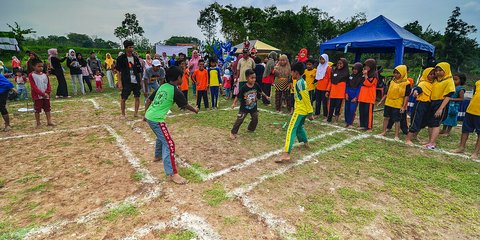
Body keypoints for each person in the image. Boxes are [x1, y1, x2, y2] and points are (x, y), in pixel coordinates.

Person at [145, 66, 199, 184]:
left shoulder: (162, 86)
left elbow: (148, 100)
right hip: (156, 119)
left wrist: (145, 114)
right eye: (183, 77)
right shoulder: (176, 91)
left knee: (161, 137)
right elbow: (185, 105)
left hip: (150, 116)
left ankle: (157, 156)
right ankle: (172, 173)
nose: (184, 78)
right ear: (179, 78)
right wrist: (195, 110)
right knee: (169, 144)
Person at [277, 62, 314, 163]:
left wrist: (310, 112)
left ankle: (286, 154)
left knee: (291, 129)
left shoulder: (300, 83)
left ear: (296, 73)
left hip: (300, 110)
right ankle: (305, 143)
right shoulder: (299, 81)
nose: (290, 74)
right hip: (302, 110)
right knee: (299, 127)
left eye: (291, 72)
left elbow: (306, 98)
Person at [230, 69, 270, 139]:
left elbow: (260, 92)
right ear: (247, 78)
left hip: (253, 107)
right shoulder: (244, 88)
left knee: (255, 118)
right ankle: (233, 132)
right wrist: (234, 103)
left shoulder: (256, 85)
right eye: (252, 78)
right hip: (244, 108)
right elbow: (237, 96)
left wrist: (266, 96)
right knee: (240, 120)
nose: (254, 79)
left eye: (254, 78)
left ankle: (250, 129)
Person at [424, 62, 455, 149]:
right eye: (436, 70)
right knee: (430, 123)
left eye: (440, 70)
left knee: (436, 124)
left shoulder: (449, 81)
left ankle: (432, 143)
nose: (437, 72)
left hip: (441, 103)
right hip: (432, 102)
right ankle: (430, 141)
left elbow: (448, 96)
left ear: (446, 70)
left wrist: (440, 108)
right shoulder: (436, 80)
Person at [378, 65, 411, 140]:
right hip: (388, 102)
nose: (395, 75)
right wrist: (381, 101)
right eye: (395, 73)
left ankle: (396, 135)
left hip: (397, 103)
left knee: (397, 120)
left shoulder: (407, 83)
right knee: (386, 117)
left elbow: (406, 96)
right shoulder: (392, 81)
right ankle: (384, 131)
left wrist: (403, 106)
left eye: (398, 73)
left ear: (402, 73)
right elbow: (387, 92)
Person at [405, 67, 435, 145]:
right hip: (420, 104)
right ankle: (408, 139)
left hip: (428, 105)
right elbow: (418, 89)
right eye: (430, 74)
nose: (432, 76)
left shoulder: (433, 84)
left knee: (423, 122)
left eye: (433, 74)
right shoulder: (423, 83)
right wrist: (415, 92)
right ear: (426, 75)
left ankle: (415, 135)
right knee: (416, 121)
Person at [453, 79, 480, 160]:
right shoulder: (478, 82)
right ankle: (461, 147)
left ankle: (476, 152)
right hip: (470, 110)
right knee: (465, 130)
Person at [116, 40, 143, 119]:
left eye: (132, 47)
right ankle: (123, 114)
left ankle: (136, 113)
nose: (132, 48)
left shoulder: (135, 58)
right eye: (130, 47)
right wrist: (119, 82)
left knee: (137, 97)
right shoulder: (121, 58)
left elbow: (139, 71)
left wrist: (140, 81)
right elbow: (118, 70)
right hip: (126, 80)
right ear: (126, 48)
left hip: (136, 80)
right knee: (123, 98)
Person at [28, 59, 54, 128]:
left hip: (46, 95)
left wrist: (47, 92)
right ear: (33, 67)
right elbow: (34, 86)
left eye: (42, 66)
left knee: (47, 108)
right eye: (38, 66)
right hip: (37, 96)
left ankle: (49, 121)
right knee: (37, 109)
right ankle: (38, 123)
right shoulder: (31, 75)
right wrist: (42, 94)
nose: (41, 68)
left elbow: (48, 84)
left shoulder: (45, 75)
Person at [326, 58, 349, 123]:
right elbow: (331, 81)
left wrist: (346, 93)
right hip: (333, 92)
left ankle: (336, 120)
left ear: (344, 64)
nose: (339, 65)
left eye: (341, 63)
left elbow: (348, 85)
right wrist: (328, 90)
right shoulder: (334, 71)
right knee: (331, 106)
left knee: (338, 107)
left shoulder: (346, 73)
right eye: (338, 63)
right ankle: (329, 119)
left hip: (340, 93)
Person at [358, 59, 378, 131]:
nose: (366, 67)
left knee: (368, 113)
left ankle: (369, 126)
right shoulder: (364, 74)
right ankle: (362, 125)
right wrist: (364, 75)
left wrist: (366, 75)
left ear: (371, 66)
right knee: (362, 111)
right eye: (365, 66)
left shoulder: (374, 75)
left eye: (367, 66)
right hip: (362, 96)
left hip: (369, 97)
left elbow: (369, 83)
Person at [345, 63, 363, 128]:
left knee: (352, 109)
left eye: (356, 69)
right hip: (348, 94)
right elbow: (347, 85)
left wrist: (356, 97)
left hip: (355, 94)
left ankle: (350, 123)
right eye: (353, 69)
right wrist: (346, 93)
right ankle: (347, 122)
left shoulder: (361, 78)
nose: (354, 71)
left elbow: (360, 88)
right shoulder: (350, 76)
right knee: (347, 108)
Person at [314, 54, 331, 118]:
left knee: (325, 102)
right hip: (318, 87)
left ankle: (325, 115)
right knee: (317, 101)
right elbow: (317, 77)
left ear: (326, 59)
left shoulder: (328, 68)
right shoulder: (319, 67)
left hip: (325, 87)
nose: (321, 60)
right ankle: (317, 113)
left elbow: (330, 79)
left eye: (323, 59)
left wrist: (328, 89)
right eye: (320, 59)